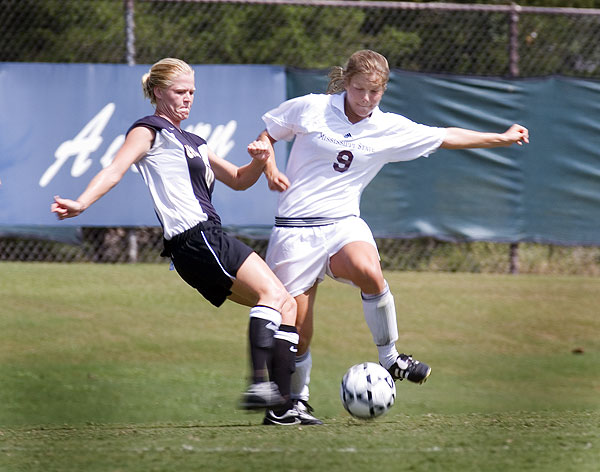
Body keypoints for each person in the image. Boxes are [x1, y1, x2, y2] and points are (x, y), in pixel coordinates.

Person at [254, 49, 529, 425]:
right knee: (297, 332)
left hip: (342, 223)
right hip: (295, 231)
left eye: (374, 92)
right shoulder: (312, 108)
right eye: (358, 89)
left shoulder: (387, 128)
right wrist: (268, 166)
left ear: (383, 91)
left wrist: (498, 138)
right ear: (346, 83)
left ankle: (390, 356)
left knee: (369, 269)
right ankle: (294, 401)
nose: (366, 99)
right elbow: (267, 133)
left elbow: (445, 136)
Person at [51, 57, 300, 418]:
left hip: (198, 246)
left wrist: (261, 161)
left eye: (192, 92)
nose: (188, 99)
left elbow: (239, 179)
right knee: (273, 295)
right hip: (198, 237)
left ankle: (283, 407)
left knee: (286, 305)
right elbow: (115, 169)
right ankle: (259, 383)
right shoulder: (149, 129)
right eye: (180, 92)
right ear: (157, 93)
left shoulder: (195, 141)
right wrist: (82, 202)